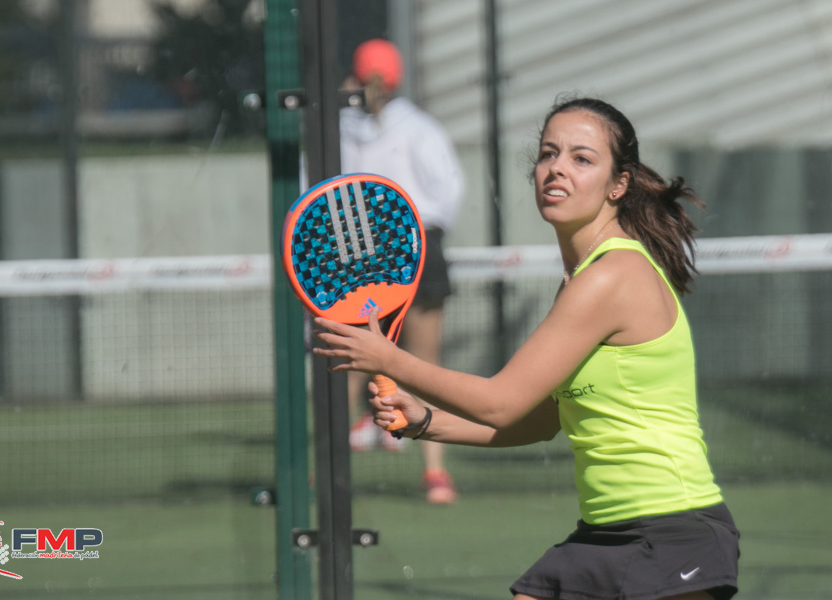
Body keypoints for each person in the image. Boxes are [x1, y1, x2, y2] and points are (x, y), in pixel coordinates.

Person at [313, 96, 740, 600]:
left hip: (672, 532)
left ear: (618, 184)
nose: (557, 168)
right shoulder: (582, 279)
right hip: (608, 532)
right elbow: (540, 420)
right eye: (548, 154)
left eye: (582, 158)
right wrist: (425, 421)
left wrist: (388, 359)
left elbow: (501, 402)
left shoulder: (612, 276)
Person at [339, 39, 464, 505]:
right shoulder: (417, 127)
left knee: (355, 365)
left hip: (380, 251)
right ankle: (434, 477)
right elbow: (447, 194)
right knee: (416, 366)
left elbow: (322, 190)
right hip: (401, 248)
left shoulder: (352, 127)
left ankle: (323, 473)